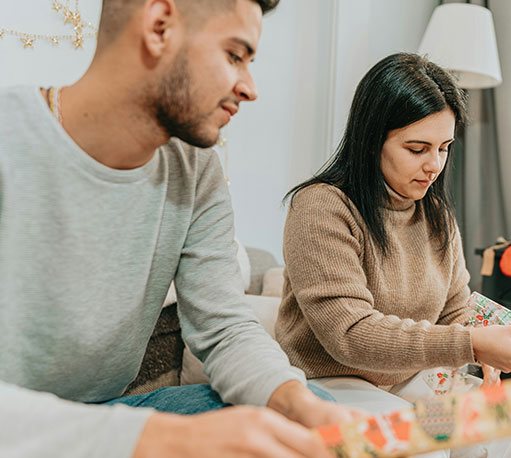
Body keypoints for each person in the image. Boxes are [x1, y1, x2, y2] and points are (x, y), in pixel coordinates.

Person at [0, 0, 354, 457]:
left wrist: (300, 404)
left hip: (104, 412)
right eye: (234, 55)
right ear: (159, 25)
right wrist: (165, 440)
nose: (249, 88)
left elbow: (224, 328)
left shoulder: (195, 169)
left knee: (298, 422)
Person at [275, 53, 511, 457]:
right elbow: (350, 336)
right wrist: (473, 344)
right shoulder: (320, 207)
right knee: (422, 447)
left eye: (444, 148)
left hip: (409, 378)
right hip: (325, 380)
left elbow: (455, 311)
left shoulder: (436, 214)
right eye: (417, 148)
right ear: (372, 140)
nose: (434, 166)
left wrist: (502, 341)